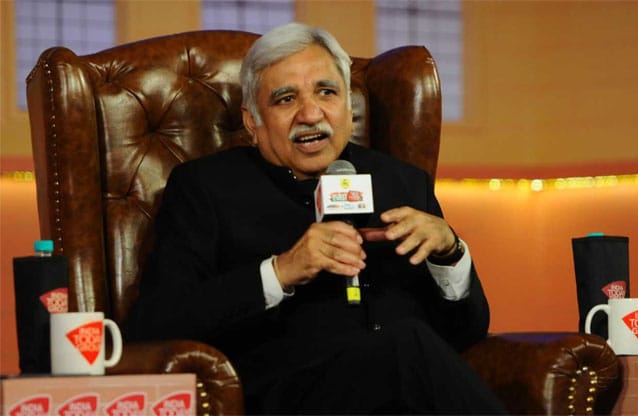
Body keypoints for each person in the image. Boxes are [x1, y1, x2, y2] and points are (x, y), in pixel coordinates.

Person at [124, 22, 506, 414]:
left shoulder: (403, 181)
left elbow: (466, 333)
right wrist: (281, 271)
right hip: (292, 396)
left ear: (348, 109)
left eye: (326, 92)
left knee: (411, 347)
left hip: (407, 393)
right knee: (407, 344)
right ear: (253, 122)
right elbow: (154, 325)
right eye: (285, 99)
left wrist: (450, 253)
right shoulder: (206, 187)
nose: (310, 114)